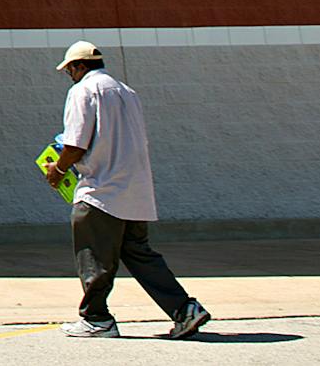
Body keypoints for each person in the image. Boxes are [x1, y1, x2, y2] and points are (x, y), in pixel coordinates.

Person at [42, 40, 211, 339]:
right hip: (135, 192)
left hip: (100, 190)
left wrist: (58, 170)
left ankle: (97, 319)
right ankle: (185, 309)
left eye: (70, 70)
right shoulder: (127, 92)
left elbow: (75, 144)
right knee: (140, 255)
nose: (70, 76)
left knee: (93, 257)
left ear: (79, 66)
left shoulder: (83, 90)